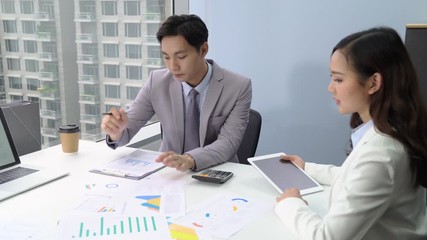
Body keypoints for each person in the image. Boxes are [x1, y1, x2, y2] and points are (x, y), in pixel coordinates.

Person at [275, 27, 427, 239]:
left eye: (338, 79)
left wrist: (291, 203)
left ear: (373, 83)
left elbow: (327, 237)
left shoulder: (382, 154)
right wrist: (306, 167)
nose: (330, 88)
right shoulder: (387, 132)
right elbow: (356, 177)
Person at [101, 14, 252, 172]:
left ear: (203, 50)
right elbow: (127, 130)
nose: (173, 66)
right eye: (166, 57)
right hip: (169, 173)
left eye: (181, 57)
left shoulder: (238, 87)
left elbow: (228, 143)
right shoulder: (157, 81)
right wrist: (116, 131)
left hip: (217, 172)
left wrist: (190, 159)